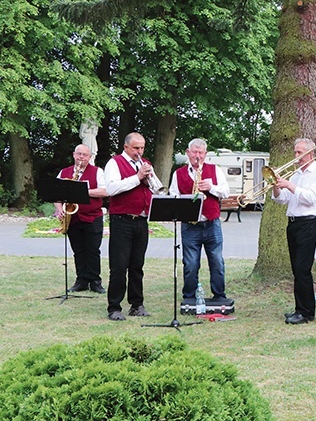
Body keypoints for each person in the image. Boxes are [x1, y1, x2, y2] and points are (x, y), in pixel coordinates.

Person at [169, 138, 233, 305]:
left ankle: (219, 295)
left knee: (217, 261)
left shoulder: (214, 170)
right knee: (190, 264)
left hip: (211, 223)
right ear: (188, 153)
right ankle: (189, 296)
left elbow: (225, 191)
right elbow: (173, 195)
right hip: (190, 226)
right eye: (194, 152)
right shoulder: (179, 173)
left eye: (201, 153)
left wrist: (210, 188)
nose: (197, 156)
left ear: (205, 154)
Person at [272, 138, 316, 325]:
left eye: (299, 153)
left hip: (309, 224)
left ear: (310, 154)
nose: (296, 156)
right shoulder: (296, 174)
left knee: (303, 269)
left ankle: (306, 313)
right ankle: (300, 309)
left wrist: (289, 185)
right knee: (297, 269)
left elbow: (311, 198)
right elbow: (283, 200)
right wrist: (276, 187)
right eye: (295, 152)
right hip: (293, 223)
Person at [103, 132, 156, 321]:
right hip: (122, 219)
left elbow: (153, 188)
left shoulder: (144, 163)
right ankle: (114, 307)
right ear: (126, 147)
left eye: (142, 148)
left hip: (141, 220)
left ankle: (137, 304)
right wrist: (137, 177)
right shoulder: (114, 163)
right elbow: (111, 189)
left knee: (137, 265)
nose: (139, 152)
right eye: (136, 148)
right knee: (119, 266)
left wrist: (149, 180)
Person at [54, 144, 108, 293]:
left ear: (90, 157)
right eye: (79, 154)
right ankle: (81, 280)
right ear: (73, 155)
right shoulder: (64, 172)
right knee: (78, 250)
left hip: (92, 217)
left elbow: (104, 191)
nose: (81, 158)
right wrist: (59, 210)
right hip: (73, 218)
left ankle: (95, 281)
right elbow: (55, 194)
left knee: (93, 250)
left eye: (85, 155)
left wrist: (83, 191)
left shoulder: (98, 172)